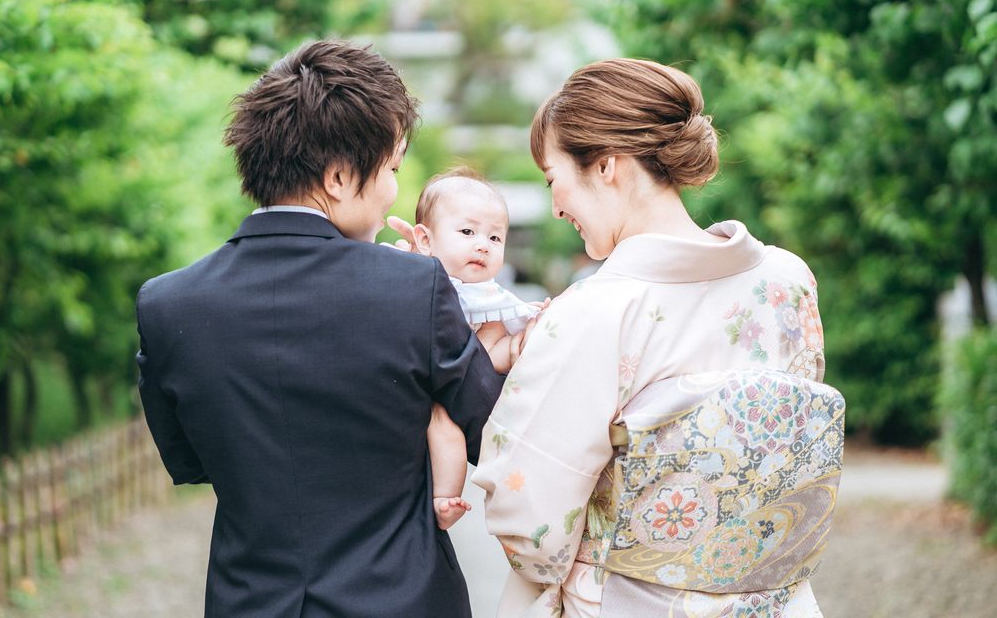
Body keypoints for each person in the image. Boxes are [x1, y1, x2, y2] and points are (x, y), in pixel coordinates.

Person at [136, 40, 506, 618]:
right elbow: (495, 430)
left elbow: (191, 462)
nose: (391, 190)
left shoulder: (166, 305)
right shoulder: (415, 286)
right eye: (390, 169)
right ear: (337, 176)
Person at [471, 58, 843, 618]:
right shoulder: (787, 281)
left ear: (605, 166)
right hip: (777, 601)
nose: (554, 206)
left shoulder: (596, 312)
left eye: (554, 180)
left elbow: (535, 527)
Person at [407, 167, 541, 530]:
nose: (483, 244)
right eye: (467, 232)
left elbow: (485, 360)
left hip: (448, 398)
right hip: (409, 386)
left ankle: (445, 498)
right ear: (426, 240)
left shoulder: (492, 302)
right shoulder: (413, 277)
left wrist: (515, 344)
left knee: (444, 423)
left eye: (495, 238)